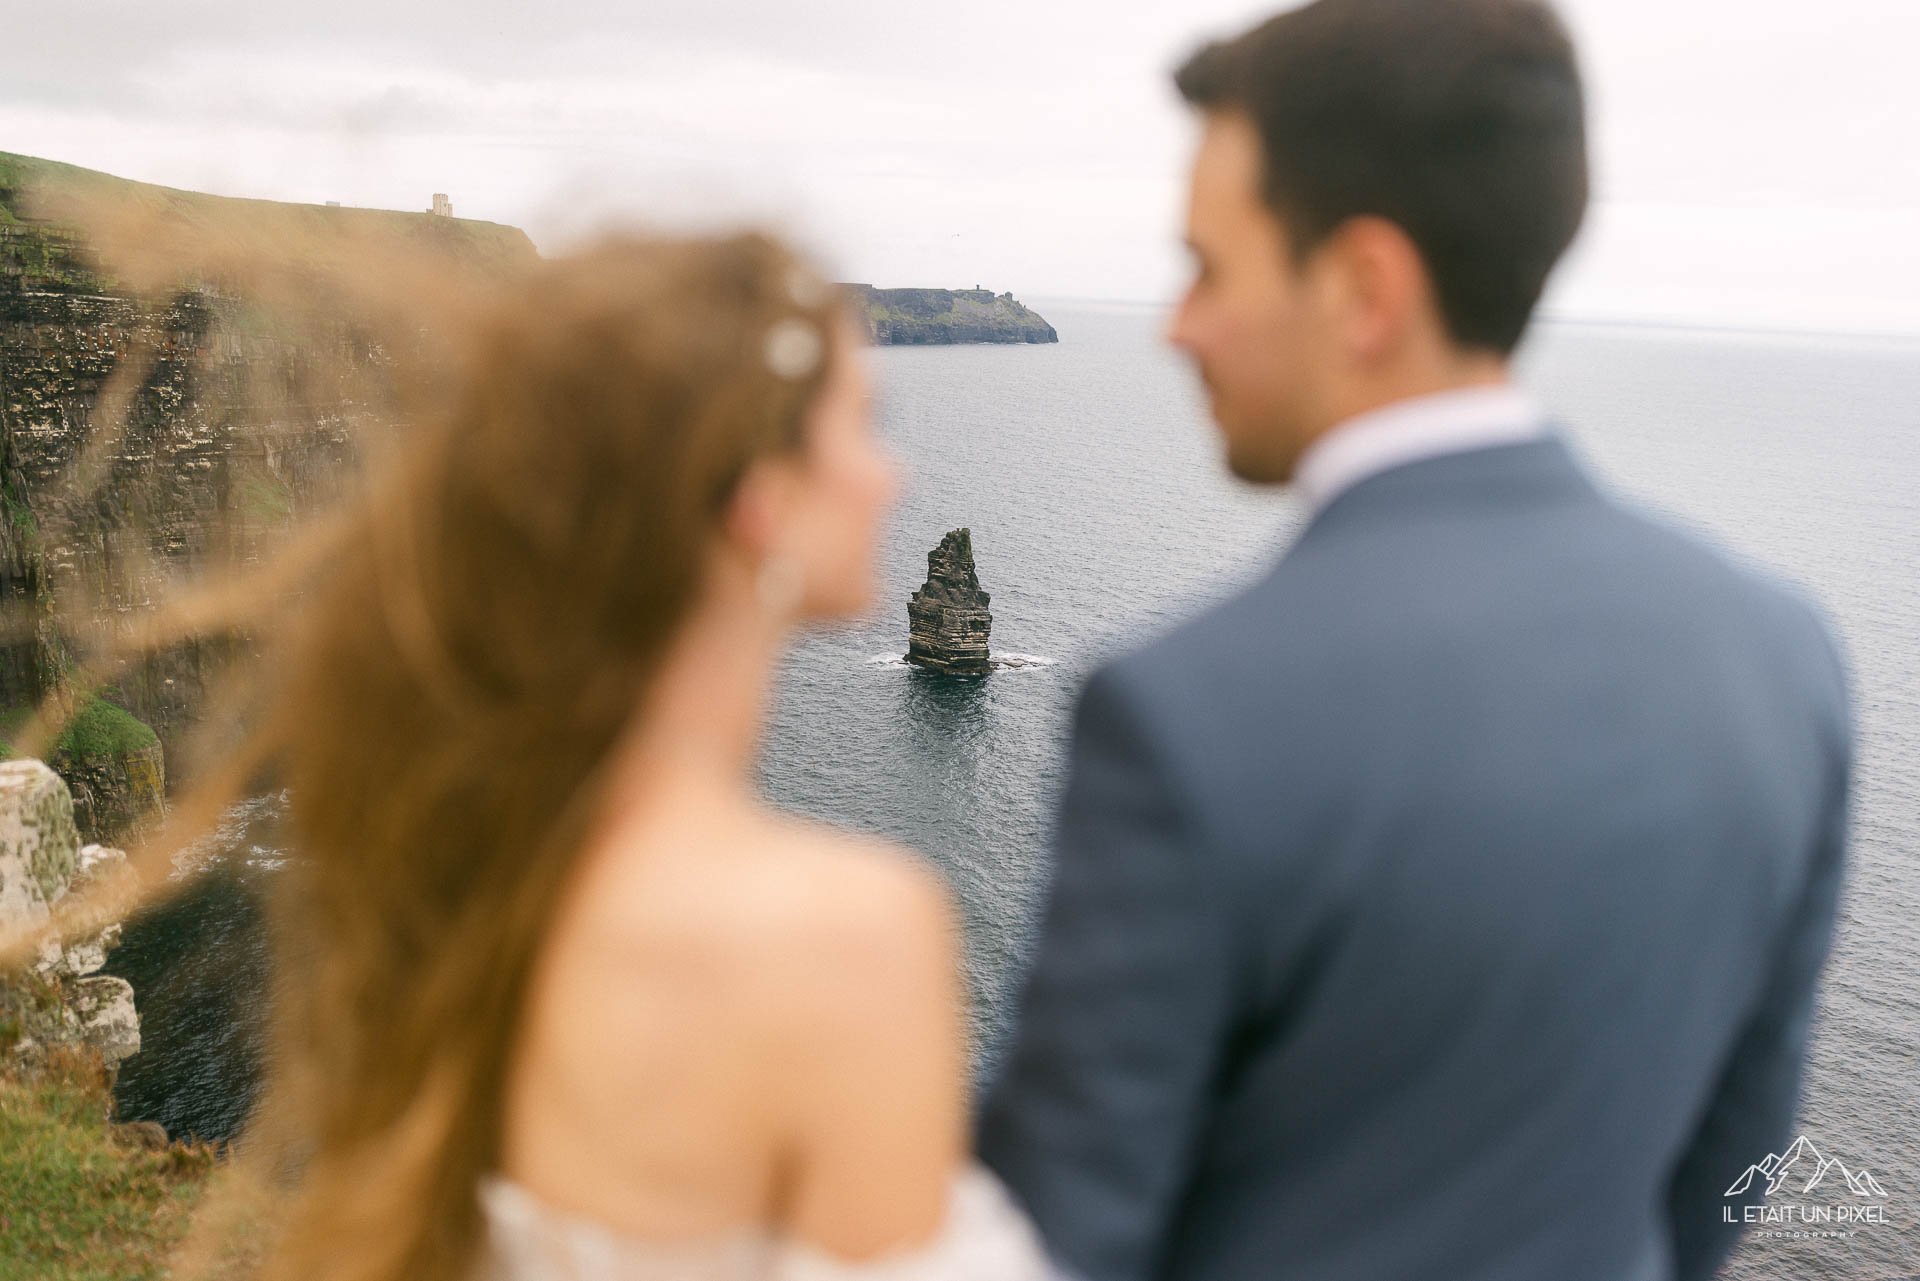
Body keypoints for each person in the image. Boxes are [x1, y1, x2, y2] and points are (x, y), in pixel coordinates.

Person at [977, 3, 1854, 1281]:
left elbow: (1054, 1238)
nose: (1178, 325)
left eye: (1211, 268)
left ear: (1365, 289)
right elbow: (1739, 1152)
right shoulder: (1784, 654)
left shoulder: (1186, 709)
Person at [155, 234, 1057, 1281]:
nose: (891, 472)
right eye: (865, 425)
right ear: (758, 499)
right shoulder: (851, 930)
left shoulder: (456, 874)